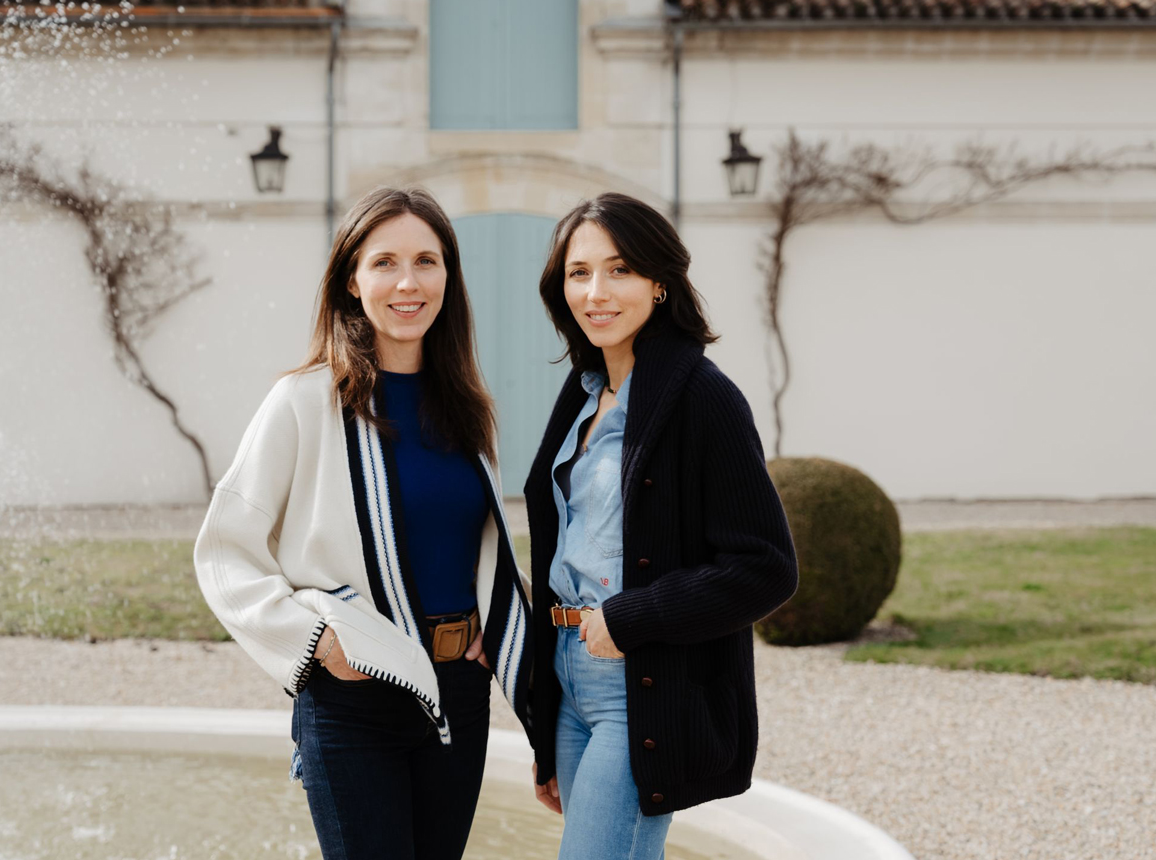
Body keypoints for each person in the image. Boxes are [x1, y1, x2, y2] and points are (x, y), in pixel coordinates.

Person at [194, 186, 532, 860]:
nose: (408, 282)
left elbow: (478, 545)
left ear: (448, 277)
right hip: (354, 698)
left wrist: (496, 626)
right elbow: (225, 554)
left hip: (459, 697)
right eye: (384, 263)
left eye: (426, 261)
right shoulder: (302, 402)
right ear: (352, 280)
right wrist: (316, 640)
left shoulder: (468, 409)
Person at [523, 192, 799, 859]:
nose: (596, 292)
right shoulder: (584, 392)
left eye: (619, 270)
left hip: (638, 684)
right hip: (568, 676)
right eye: (578, 273)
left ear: (659, 281)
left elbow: (765, 566)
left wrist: (632, 617)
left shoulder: (703, 397)